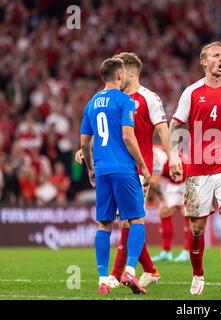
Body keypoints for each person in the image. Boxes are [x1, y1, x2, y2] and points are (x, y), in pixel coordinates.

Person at [76, 52, 168, 288]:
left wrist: (89, 167)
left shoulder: (91, 103)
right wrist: (145, 168)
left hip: (101, 169)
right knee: (135, 220)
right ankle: (127, 271)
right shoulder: (125, 100)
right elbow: (128, 137)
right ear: (119, 74)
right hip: (126, 169)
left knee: (104, 224)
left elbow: (85, 143)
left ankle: (103, 279)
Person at [169, 41, 221, 297]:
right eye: (216, 56)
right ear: (203, 62)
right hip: (197, 169)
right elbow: (174, 126)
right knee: (197, 228)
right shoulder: (191, 93)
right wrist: (174, 155)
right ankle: (198, 274)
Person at [150, 146, 190, 263]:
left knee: (187, 213)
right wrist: (162, 200)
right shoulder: (150, 153)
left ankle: (188, 251)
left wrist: (161, 199)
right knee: (164, 212)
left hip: (186, 178)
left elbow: (154, 181)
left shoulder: (157, 155)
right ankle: (166, 252)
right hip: (171, 180)